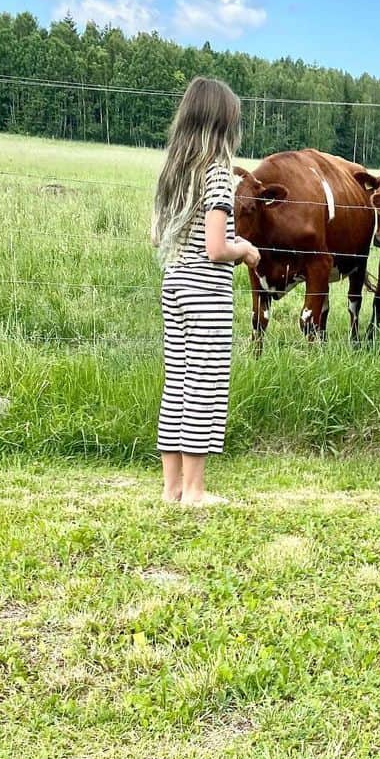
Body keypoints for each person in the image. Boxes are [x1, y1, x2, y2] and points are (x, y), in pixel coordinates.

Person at [150, 76, 259, 506]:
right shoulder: (217, 175)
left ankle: (171, 488)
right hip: (204, 291)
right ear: (222, 125)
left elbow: (157, 237)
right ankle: (195, 491)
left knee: (176, 382)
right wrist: (245, 250)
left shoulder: (172, 172)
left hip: (173, 283)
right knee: (205, 385)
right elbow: (216, 248)